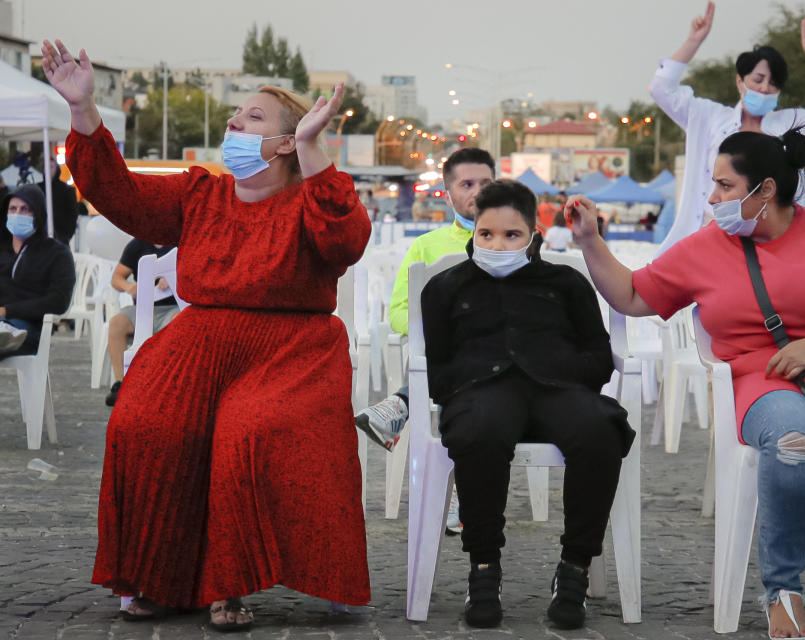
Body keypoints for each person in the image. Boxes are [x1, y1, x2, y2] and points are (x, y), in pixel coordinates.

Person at [44, 39, 371, 632]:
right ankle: (162, 577)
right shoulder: (201, 192)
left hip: (292, 349)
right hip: (200, 339)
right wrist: (83, 109)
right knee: (148, 423)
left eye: (251, 116)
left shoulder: (312, 197)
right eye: (235, 114)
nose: (233, 122)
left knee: (247, 430)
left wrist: (315, 149)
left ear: (284, 141)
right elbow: (118, 193)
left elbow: (346, 240)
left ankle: (230, 585)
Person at [568, 129, 805, 640]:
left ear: (766, 190)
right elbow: (630, 295)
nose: (712, 198)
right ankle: (783, 591)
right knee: (791, 442)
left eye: (724, 185)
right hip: (762, 379)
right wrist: (589, 240)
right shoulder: (705, 248)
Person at [421, 179, 633, 629]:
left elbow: (598, 355)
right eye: (487, 234)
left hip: (560, 391)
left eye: (511, 235)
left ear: (534, 235)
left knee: (600, 429)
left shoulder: (566, 283)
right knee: (479, 430)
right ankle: (483, 569)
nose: (498, 244)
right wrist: (478, 382)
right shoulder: (445, 287)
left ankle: (574, 567)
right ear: (472, 232)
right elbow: (437, 368)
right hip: (480, 393)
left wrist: (557, 372)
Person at [650, 0, 805, 255]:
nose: (765, 88)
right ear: (740, 81)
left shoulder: (790, 124)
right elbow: (661, 89)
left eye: (774, 83)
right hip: (712, 229)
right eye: (758, 79)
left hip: (772, 237)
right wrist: (693, 41)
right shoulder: (709, 117)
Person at [354, 147, 495, 451]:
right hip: (454, 365)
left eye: (486, 184)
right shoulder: (427, 246)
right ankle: (458, 482)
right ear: (447, 197)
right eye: (467, 185)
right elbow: (399, 311)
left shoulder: (521, 241)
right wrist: (437, 327)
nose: (479, 192)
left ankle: (402, 402)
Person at [0, 184, 76, 357]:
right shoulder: (3, 250)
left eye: (25, 209)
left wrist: (7, 310)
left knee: (12, 333)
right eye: (12, 209)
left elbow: (58, 301)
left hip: (30, 328)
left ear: (38, 214)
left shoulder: (56, 253)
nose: (17, 214)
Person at [103, 238, 179, 407]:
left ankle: (163, 385)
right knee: (116, 323)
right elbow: (116, 278)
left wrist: (173, 277)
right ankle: (120, 383)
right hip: (142, 310)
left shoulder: (179, 242)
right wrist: (129, 286)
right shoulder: (137, 245)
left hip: (172, 308)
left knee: (177, 324)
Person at [40, 155, 82, 244]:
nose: (48, 170)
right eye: (46, 167)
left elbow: (73, 214)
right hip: (40, 237)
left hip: (61, 237)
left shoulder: (67, 190)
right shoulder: (38, 189)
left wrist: (67, 235)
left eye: (51, 167)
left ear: (56, 168)